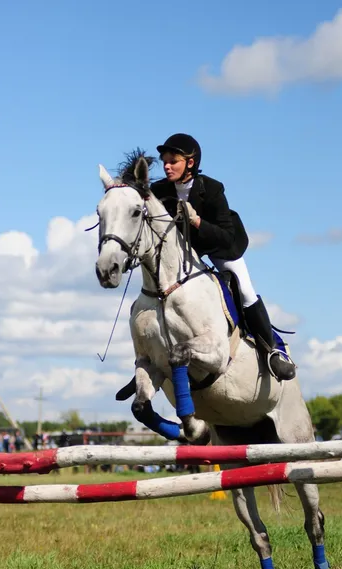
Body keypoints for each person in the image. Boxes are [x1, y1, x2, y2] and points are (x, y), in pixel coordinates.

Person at [116, 133, 296, 400]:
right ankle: (146, 362)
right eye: (164, 161)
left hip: (221, 246)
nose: (166, 166)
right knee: (148, 298)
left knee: (244, 290)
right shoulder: (161, 191)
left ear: (190, 162)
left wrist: (197, 220)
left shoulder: (211, 189)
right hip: (184, 253)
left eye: (173, 161)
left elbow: (224, 235)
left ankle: (272, 350)